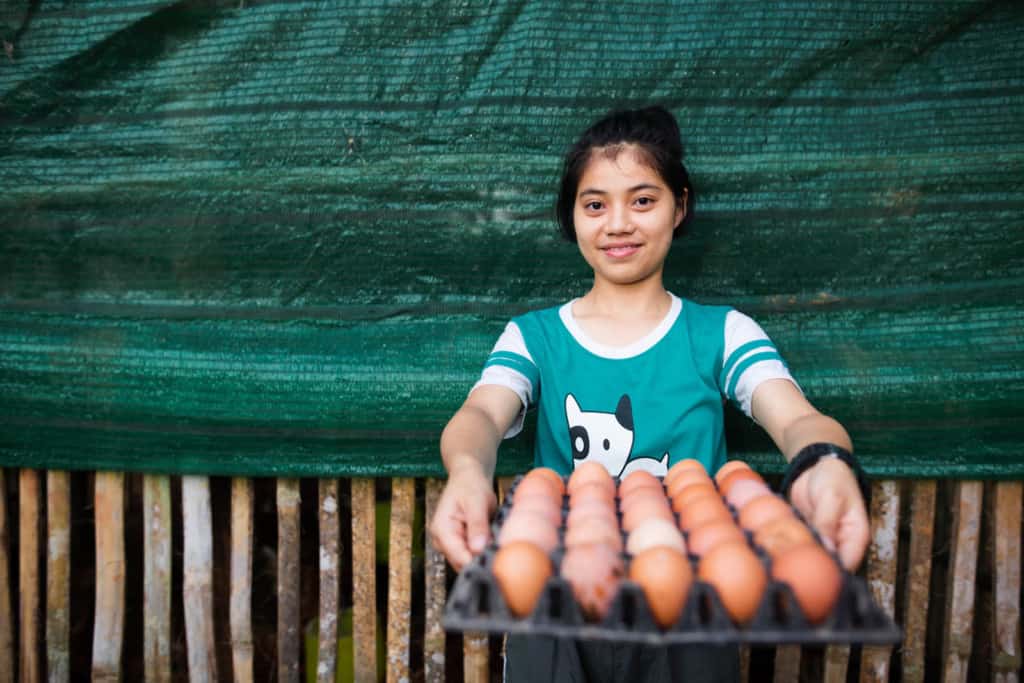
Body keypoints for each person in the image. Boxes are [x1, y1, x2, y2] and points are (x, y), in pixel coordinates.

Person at [429, 106, 870, 682]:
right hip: (557, 604)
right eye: (595, 204)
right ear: (573, 216)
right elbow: (482, 413)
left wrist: (824, 461)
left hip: (691, 607)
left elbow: (796, 420)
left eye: (643, 200)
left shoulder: (720, 334)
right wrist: (466, 470)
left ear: (679, 206)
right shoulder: (536, 337)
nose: (618, 224)